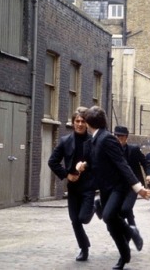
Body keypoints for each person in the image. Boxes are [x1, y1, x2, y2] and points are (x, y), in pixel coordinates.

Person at [78, 106, 150, 270]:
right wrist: (83, 164)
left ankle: (132, 232)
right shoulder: (95, 140)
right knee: (111, 225)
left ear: (90, 123)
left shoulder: (107, 139)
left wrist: (138, 188)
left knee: (108, 215)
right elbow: (96, 162)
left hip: (119, 187)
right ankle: (124, 256)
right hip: (106, 188)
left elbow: (122, 164)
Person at [48, 107, 95, 262]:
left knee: (83, 218)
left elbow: (98, 161)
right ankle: (84, 248)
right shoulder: (65, 141)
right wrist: (66, 174)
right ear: (73, 123)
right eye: (77, 121)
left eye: (83, 121)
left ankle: (95, 206)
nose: (80, 124)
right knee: (75, 220)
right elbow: (52, 162)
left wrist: (86, 165)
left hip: (88, 185)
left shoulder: (93, 141)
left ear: (87, 123)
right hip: (73, 187)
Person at [113, 125, 147, 227]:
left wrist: (148, 174)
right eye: (117, 136)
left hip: (134, 185)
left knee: (125, 209)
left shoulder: (134, 149)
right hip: (118, 185)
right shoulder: (112, 151)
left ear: (126, 137)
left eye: (122, 137)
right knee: (123, 208)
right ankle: (133, 229)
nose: (119, 139)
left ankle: (126, 229)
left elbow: (144, 162)